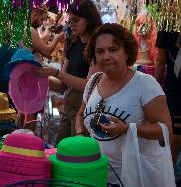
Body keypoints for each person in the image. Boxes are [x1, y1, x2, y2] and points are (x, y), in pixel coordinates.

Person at [75, 23, 173, 186]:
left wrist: (128, 128)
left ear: (126, 52)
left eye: (113, 49)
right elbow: (80, 115)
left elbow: (165, 130)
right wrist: (79, 135)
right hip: (96, 177)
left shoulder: (145, 84)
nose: (106, 56)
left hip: (135, 178)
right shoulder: (94, 81)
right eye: (100, 51)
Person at [34, 0, 102, 143]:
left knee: (76, 156)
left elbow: (88, 86)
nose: (71, 24)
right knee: (61, 149)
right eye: (69, 21)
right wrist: (40, 75)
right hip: (68, 108)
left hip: (86, 110)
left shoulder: (98, 47)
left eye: (75, 20)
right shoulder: (73, 44)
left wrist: (56, 73)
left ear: (89, 19)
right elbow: (62, 85)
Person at [155, 28, 181, 161]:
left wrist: (155, 86)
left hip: (175, 86)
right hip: (174, 87)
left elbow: (160, 61)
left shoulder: (167, 27)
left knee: (176, 128)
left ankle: (170, 167)